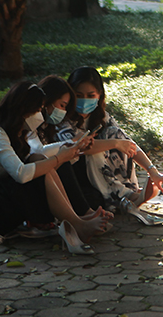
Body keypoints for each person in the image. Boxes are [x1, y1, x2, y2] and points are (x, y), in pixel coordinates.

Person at [0, 81, 104, 254]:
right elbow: (21, 174)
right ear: (22, 108)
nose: (39, 114)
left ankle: (77, 218)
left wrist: (70, 148)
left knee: (41, 160)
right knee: (40, 166)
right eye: (37, 109)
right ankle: (76, 224)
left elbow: (39, 154)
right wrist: (60, 157)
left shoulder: (19, 133)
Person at [62, 67, 163, 218]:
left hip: (99, 175)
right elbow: (80, 147)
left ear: (99, 95)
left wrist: (152, 171)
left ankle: (128, 193)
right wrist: (114, 144)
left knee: (115, 135)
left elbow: (128, 143)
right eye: (79, 95)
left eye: (90, 95)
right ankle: (123, 197)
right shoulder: (64, 117)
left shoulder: (102, 117)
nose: (84, 100)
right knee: (97, 149)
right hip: (75, 172)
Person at [32, 75, 110, 221]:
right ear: (48, 100)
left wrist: (73, 150)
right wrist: (67, 146)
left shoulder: (46, 127)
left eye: (65, 107)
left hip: (43, 177)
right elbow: (36, 154)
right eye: (62, 105)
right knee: (60, 161)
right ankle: (82, 216)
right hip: (27, 181)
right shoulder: (30, 124)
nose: (62, 111)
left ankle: (84, 213)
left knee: (94, 197)